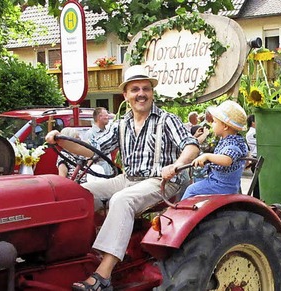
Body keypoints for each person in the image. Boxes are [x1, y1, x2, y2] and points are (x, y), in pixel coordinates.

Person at [45, 65, 199, 291]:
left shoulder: (166, 120)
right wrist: (59, 141)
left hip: (161, 181)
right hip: (128, 178)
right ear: (125, 95)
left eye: (146, 88)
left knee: (121, 200)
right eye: (135, 89)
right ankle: (77, 255)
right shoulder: (122, 124)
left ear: (152, 93)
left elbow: (191, 145)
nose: (141, 94)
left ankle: (103, 275)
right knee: (80, 193)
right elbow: (93, 148)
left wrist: (176, 165)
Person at [181, 100, 249, 200]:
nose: (212, 124)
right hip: (221, 182)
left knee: (191, 190)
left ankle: (182, 214)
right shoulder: (231, 140)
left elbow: (227, 160)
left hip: (222, 185)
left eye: (215, 122)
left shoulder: (232, 143)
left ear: (225, 126)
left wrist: (207, 156)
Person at [85, 107, 115, 176]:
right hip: (98, 173)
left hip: (109, 171)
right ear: (99, 117)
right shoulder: (90, 134)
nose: (108, 118)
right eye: (106, 116)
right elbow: (88, 156)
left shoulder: (108, 132)